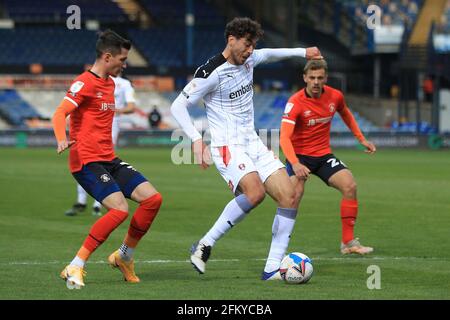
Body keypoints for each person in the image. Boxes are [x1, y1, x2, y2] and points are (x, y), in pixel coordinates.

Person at [170, 17, 322, 280]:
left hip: (253, 141)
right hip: (227, 146)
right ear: (232, 40)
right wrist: (196, 139)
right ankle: (205, 244)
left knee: (290, 195)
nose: (251, 50)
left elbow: (271, 54)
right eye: (247, 44)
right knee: (255, 193)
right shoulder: (209, 73)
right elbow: (177, 106)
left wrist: (302, 52)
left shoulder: (250, 59)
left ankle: (272, 268)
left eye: (253, 45)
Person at [52, 30, 163, 289]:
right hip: (86, 161)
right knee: (120, 210)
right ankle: (76, 265)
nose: (125, 65)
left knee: (152, 199)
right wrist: (60, 138)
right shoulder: (84, 83)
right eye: (122, 60)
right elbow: (60, 113)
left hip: (108, 158)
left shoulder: (111, 84)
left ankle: (124, 256)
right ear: (107, 56)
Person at [279, 59, 376, 255]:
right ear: (305, 78)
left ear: (325, 78)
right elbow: (284, 138)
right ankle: (278, 250)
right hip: (298, 156)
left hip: (323, 155)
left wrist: (361, 139)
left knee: (350, 186)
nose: (316, 82)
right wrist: (296, 163)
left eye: (320, 78)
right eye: (312, 77)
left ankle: (348, 242)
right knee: (293, 197)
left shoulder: (335, 96)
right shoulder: (295, 102)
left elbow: (346, 113)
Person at [64, 73, 137, 217]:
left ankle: (98, 204)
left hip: (111, 125)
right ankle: (81, 201)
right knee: (84, 160)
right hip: (89, 125)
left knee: (102, 162)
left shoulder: (124, 84)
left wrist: (111, 110)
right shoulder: (93, 80)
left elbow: (131, 107)